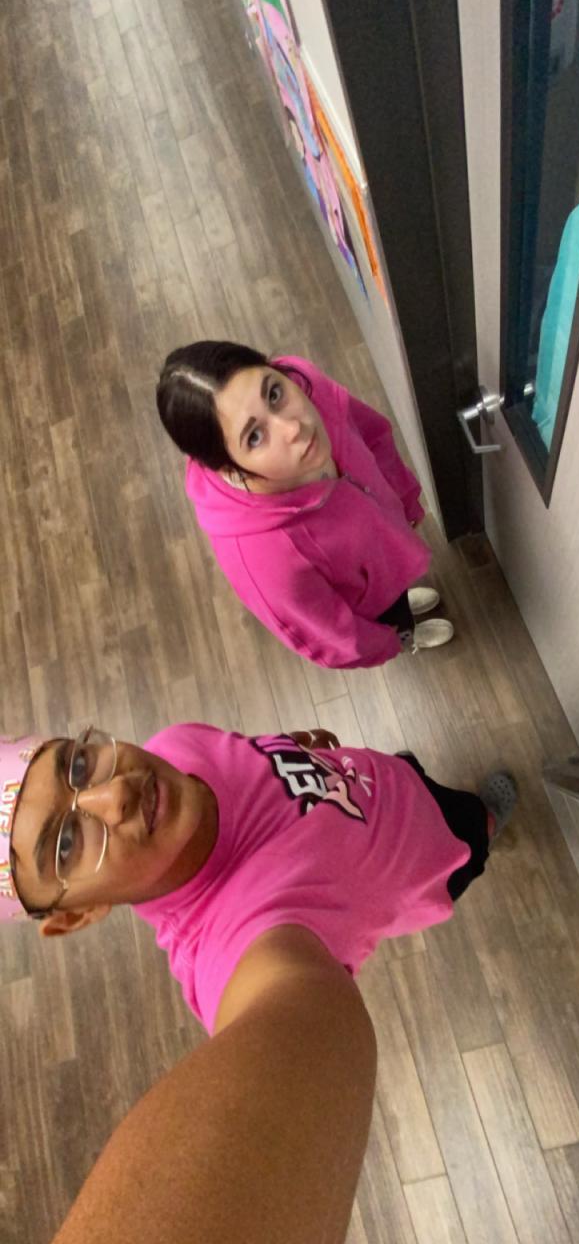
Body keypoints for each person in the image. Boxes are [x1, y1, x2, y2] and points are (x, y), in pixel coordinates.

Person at [2, 723, 516, 1241]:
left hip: (379, 776)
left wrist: (297, 745)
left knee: (412, 773)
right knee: (472, 827)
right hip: (435, 854)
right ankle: (488, 826)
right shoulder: (232, 950)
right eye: (67, 844)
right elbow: (291, 1023)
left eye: (78, 765)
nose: (116, 793)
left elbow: (251, 758)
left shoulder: (172, 749)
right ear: (77, 914)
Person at [155, 342, 455, 669]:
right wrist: (386, 643)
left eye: (273, 394)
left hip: (390, 548)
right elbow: (333, 637)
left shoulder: (303, 384)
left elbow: (372, 433)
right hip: (370, 604)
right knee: (395, 620)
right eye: (254, 436)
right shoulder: (262, 556)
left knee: (399, 594)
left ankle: (401, 603)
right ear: (229, 468)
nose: (294, 427)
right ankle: (407, 638)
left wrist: (405, 499)